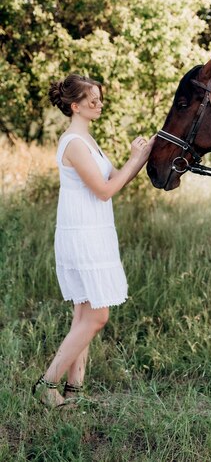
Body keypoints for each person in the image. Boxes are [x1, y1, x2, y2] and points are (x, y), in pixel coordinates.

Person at [32, 73, 154, 408]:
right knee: (98, 317)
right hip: (82, 234)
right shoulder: (73, 143)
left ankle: (74, 393)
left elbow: (115, 179)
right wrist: (133, 161)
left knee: (83, 315)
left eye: (99, 98)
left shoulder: (88, 141)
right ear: (75, 106)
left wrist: (139, 158)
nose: (98, 104)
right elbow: (103, 192)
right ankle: (47, 383)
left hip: (96, 232)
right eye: (91, 100)